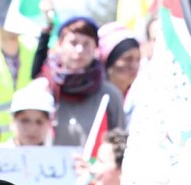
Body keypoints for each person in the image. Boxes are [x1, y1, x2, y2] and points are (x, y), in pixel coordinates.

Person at [35, 15, 125, 146]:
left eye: (87, 44)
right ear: (60, 44)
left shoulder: (109, 95)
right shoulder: (42, 89)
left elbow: (118, 145)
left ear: (95, 48)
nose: (79, 50)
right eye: (73, 43)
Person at [3, 81, 55, 146]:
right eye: (25, 121)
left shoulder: (59, 155)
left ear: (49, 123)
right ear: (12, 121)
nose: (32, 128)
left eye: (39, 122)